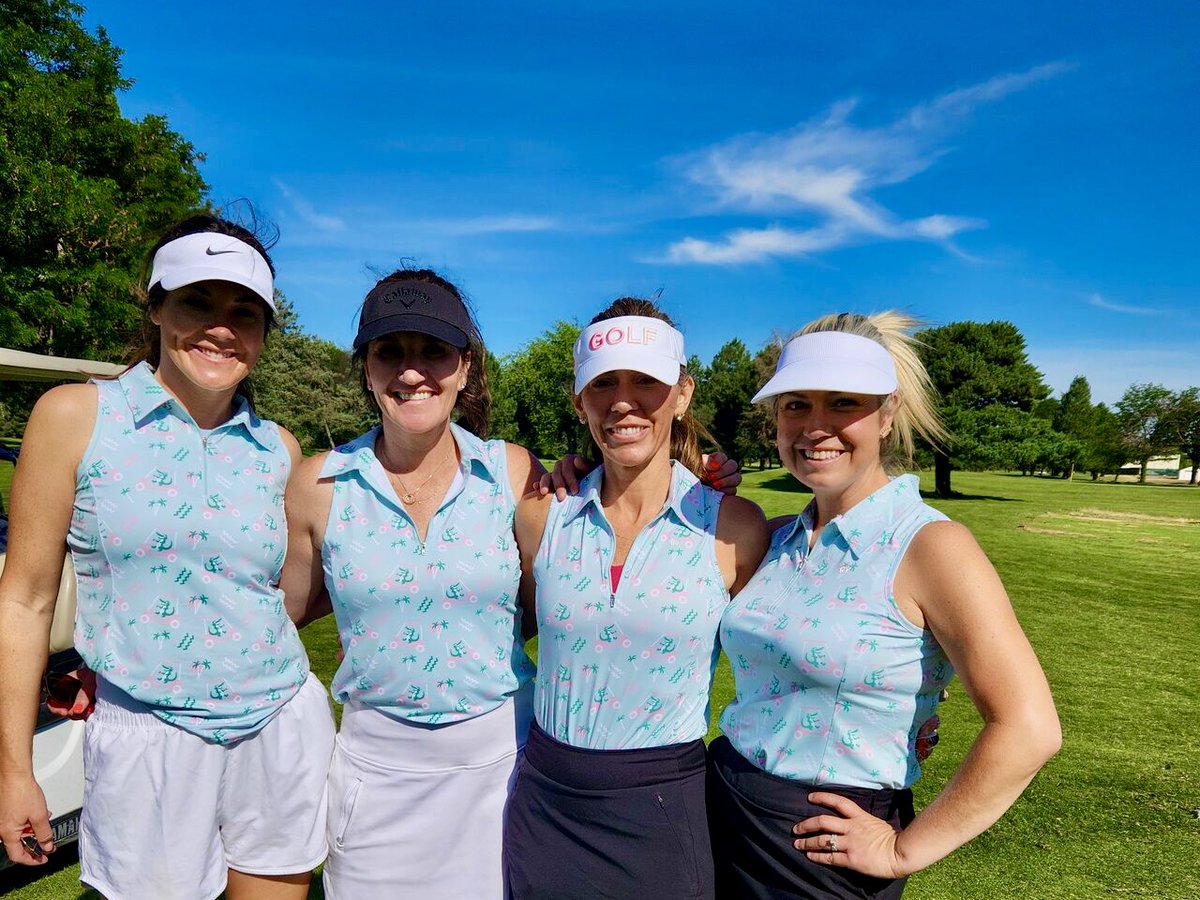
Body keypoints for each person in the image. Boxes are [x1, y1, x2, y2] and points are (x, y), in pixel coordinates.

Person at [0, 213, 335, 900]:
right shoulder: (74, 415)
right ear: (155, 307)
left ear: (264, 333)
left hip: (279, 723)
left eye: (245, 313)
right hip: (147, 737)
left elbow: (269, 596)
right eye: (197, 302)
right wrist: (14, 770)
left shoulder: (280, 447)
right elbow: (24, 600)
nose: (221, 328)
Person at [708, 312, 1062, 899]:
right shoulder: (776, 537)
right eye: (795, 405)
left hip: (820, 844)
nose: (815, 427)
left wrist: (904, 850)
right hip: (722, 803)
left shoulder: (932, 546)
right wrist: (583, 472)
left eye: (843, 402)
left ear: (888, 413)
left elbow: (1029, 727)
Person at [281, 269, 543, 900]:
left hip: (504, 769)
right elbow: (278, 618)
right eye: (389, 351)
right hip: (377, 776)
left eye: (433, 350)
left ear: (466, 367)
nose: (411, 370)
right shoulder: (318, 484)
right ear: (366, 369)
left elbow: (546, 608)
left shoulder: (511, 471)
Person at [505, 298, 770, 900]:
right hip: (545, 802)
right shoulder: (542, 514)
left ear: (683, 393)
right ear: (579, 401)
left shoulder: (734, 527)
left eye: (646, 381)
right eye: (603, 383)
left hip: (662, 807)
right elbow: (509, 625)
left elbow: (784, 654)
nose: (623, 401)